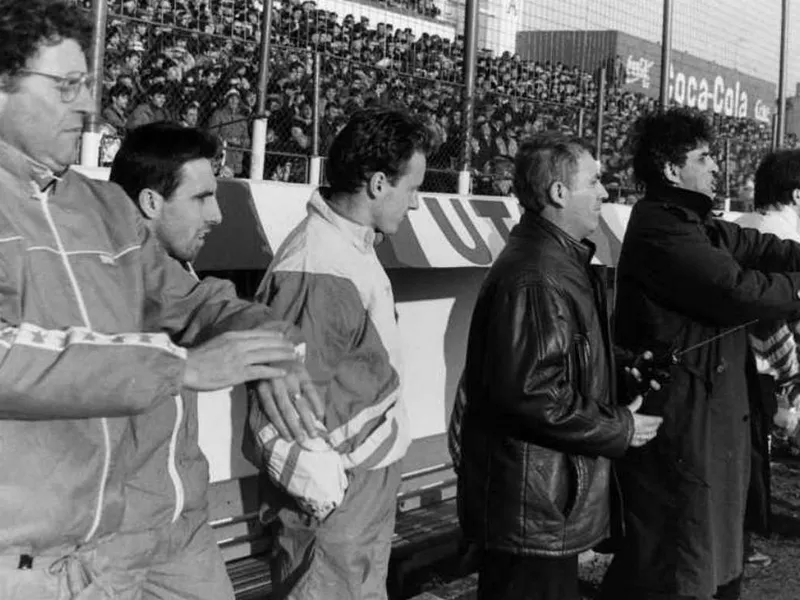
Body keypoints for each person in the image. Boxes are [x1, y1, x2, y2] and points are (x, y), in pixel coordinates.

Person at [0, 2, 322, 597]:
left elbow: (193, 302)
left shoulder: (104, 210)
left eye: (88, 85)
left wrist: (269, 342)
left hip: (96, 554)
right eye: (66, 86)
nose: (87, 104)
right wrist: (179, 366)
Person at [600, 109, 800, 600]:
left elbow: (762, 248)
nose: (717, 168)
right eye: (704, 157)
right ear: (671, 170)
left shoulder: (694, 223)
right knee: (676, 557)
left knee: (704, 550)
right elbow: (741, 290)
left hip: (706, 414)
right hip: (682, 421)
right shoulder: (664, 230)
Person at [455, 136, 663, 600]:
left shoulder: (556, 261)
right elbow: (531, 392)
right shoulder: (537, 274)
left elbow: (559, 359)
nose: (606, 192)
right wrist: (619, 427)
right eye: (594, 181)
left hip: (539, 509)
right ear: (558, 193)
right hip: (532, 514)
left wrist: (622, 368)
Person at [244, 108, 431, 599]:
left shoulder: (349, 250)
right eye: (411, 189)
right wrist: (327, 494)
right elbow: (281, 403)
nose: (414, 204)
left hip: (356, 489)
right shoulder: (318, 265)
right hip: (335, 502)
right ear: (376, 184)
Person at [736, 149, 800, 568]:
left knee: (751, 448)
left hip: (745, 358)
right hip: (768, 359)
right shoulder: (784, 236)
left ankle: (742, 536)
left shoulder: (744, 225)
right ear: (796, 194)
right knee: (754, 449)